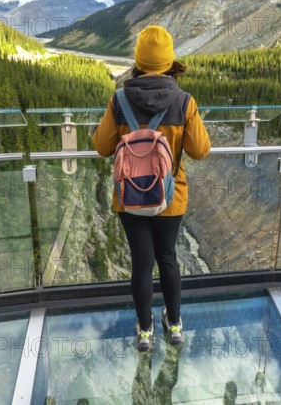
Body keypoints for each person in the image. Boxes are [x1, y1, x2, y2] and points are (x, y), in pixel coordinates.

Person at [93, 25, 211, 352]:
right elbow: (200, 150)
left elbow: (103, 147)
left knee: (142, 263)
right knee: (168, 258)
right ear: (170, 61)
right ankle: (173, 325)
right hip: (169, 198)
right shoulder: (184, 102)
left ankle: (144, 330)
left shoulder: (119, 100)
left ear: (138, 60)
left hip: (129, 199)